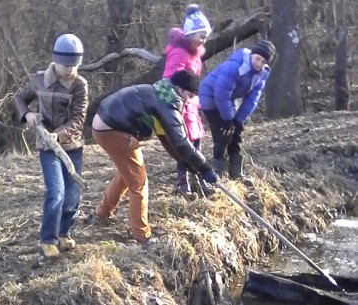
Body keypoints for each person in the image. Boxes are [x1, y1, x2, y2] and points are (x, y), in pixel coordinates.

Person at [92, 70, 217, 244]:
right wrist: (205, 167)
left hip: (102, 126)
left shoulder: (159, 92)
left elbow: (167, 139)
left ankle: (102, 213)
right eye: (189, 95)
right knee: (139, 183)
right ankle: (141, 235)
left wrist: (187, 163)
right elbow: (181, 142)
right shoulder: (170, 102)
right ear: (180, 89)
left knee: (127, 173)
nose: (188, 100)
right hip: (114, 131)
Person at [15, 33, 88, 258]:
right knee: (56, 192)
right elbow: (19, 98)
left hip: (72, 146)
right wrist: (26, 114)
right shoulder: (38, 80)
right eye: (66, 64)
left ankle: (64, 232)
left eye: (75, 64)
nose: (70, 69)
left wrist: (60, 135)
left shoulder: (80, 85)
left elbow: (79, 118)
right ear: (55, 60)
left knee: (72, 195)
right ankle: (48, 239)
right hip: (47, 147)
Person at [199, 40, 276, 179]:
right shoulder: (235, 67)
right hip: (210, 96)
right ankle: (218, 172)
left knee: (236, 133)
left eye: (263, 61)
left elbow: (252, 98)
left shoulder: (262, 74)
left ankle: (236, 172)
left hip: (228, 99)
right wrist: (227, 119)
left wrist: (239, 120)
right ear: (252, 55)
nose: (258, 63)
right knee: (223, 133)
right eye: (257, 58)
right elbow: (221, 93)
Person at [163, 4, 214, 197]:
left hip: (192, 105)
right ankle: (182, 183)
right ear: (190, 34)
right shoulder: (179, 52)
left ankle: (201, 180)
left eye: (205, 36)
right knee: (184, 146)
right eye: (201, 36)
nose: (203, 40)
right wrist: (178, 100)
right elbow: (169, 79)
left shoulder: (196, 55)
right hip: (180, 105)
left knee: (197, 142)